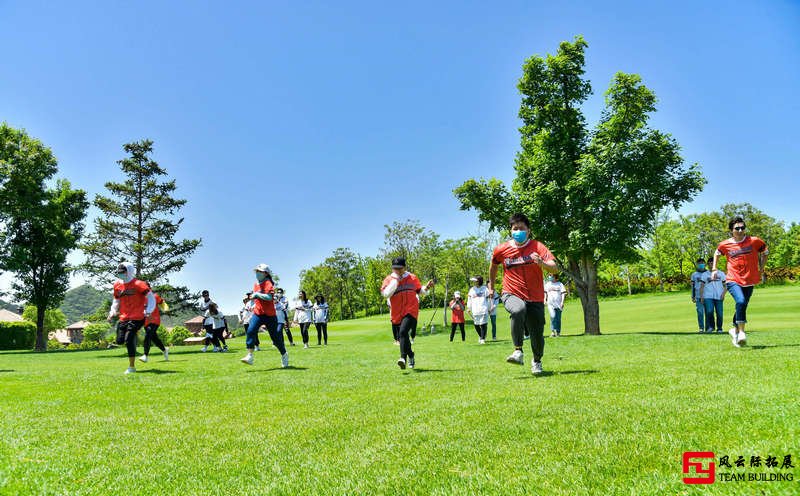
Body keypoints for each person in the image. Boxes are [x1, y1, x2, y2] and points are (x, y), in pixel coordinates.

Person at [488, 213, 558, 375]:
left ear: (529, 231)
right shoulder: (501, 249)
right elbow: (493, 266)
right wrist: (491, 286)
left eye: (522, 228)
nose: (518, 231)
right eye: (515, 228)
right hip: (511, 293)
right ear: (510, 231)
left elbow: (554, 268)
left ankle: (537, 361)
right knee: (518, 310)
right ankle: (518, 351)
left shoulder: (537, 247)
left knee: (537, 334)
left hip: (535, 297)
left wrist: (541, 263)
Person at [711, 216, 768, 347]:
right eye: (737, 228)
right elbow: (717, 253)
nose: (741, 230)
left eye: (743, 228)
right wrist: (714, 268)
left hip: (750, 279)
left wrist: (761, 268)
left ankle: (734, 330)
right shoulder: (725, 244)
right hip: (733, 279)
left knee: (742, 306)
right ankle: (741, 332)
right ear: (731, 230)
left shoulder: (754, 241)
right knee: (741, 301)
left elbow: (765, 251)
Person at [380, 257, 434, 369]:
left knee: (403, 332)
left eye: (399, 268)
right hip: (397, 313)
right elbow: (385, 294)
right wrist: (395, 282)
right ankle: (411, 355)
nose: (397, 271)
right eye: (395, 268)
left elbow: (420, 291)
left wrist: (427, 287)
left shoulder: (412, 277)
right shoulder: (389, 279)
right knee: (403, 337)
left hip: (411, 310)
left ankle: (403, 358)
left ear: (404, 267)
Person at [107, 262, 156, 375]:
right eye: (119, 273)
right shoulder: (117, 285)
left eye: (123, 272)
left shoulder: (139, 284)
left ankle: (131, 367)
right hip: (124, 317)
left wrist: (148, 310)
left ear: (129, 271)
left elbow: (151, 297)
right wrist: (112, 311)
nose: (121, 275)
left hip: (137, 317)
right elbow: (116, 300)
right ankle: (134, 335)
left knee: (129, 339)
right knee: (120, 341)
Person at [241, 264, 288, 367]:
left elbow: (269, 297)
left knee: (275, 338)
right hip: (258, 313)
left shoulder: (268, 283)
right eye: (256, 271)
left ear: (265, 273)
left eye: (259, 271)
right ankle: (250, 355)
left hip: (270, 315)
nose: (257, 273)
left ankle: (284, 354)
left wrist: (257, 295)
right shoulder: (256, 284)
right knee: (250, 330)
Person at [139, 282, 169, 363]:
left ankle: (145, 355)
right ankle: (164, 349)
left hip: (155, 320)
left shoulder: (154, 296)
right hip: (146, 321)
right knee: (154, 338)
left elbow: (162, 302)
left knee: (148, 335)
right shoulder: (140, 298)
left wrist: (165, 308)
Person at [701, 257, 726, 333]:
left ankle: (719, 328)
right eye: (710, 263)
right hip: (708, 296)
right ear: (708, 264)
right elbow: (702, 286)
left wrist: (723, 294)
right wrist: (702, 296)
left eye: (713, 263)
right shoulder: (705, 274)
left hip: (719, 296)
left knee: (719, 313)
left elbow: (726, 285)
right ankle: (711, 327)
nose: (711, 264)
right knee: (709, 311)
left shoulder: (721, 273)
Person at [467, 276, 490, 344]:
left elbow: (488, 299)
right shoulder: (472, 289)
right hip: (475, 310)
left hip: (483, 308)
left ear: (479, 281)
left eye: (475, 281)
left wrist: (489, 307)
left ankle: (482, 339)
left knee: (483, 324)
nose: (474, 282)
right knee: (476, 324)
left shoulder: (485, 289)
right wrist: (469, 307)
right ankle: (481, 336)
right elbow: (469, 299)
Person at [690, 257, 709, 333]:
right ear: (697, 265)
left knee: (708, 312)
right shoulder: (694, 275)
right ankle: (701, 328)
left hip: (708, 296)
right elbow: (693, 286)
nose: (701, 264)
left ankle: (708, 328)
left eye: (702, 263)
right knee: (700, 312)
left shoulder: (708, 273)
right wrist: (692, 296)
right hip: (698, 296)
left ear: (705, 264)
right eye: (699, 263)